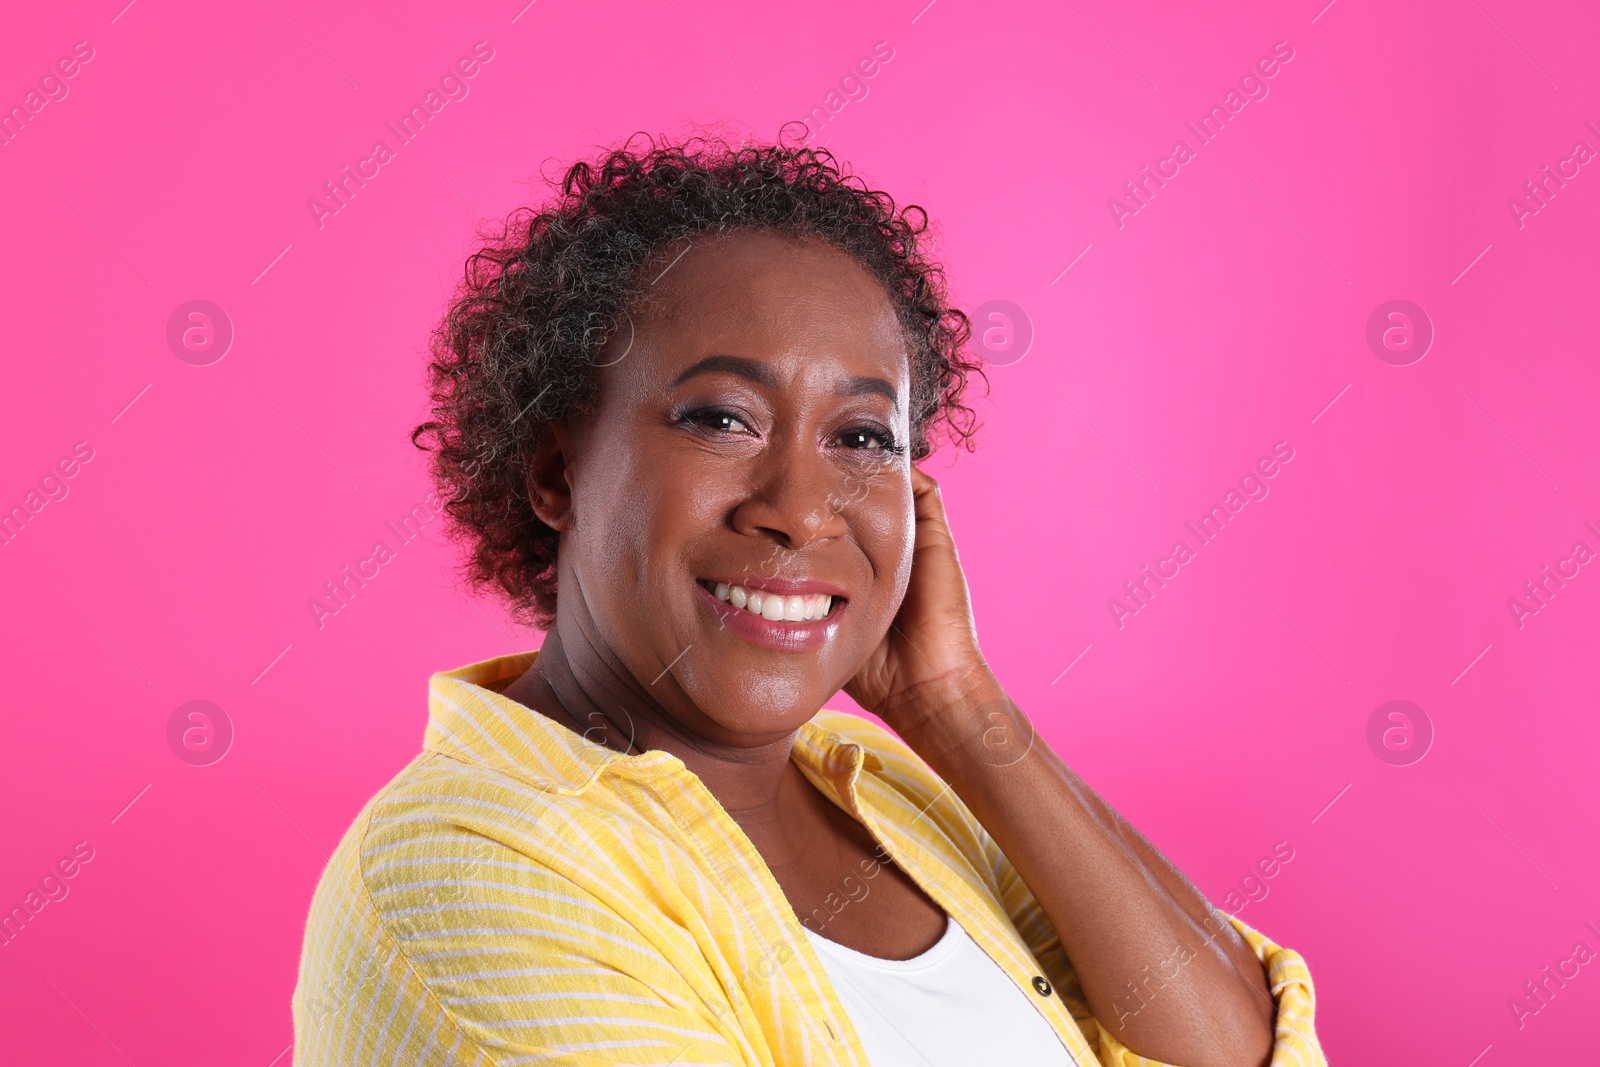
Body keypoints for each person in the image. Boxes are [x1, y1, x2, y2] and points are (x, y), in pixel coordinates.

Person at [292, 129, 1327, 1066]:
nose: (800, 509)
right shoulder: (469, 867)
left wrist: (959, 705)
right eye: (721, 418)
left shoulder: (899, 799)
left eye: (861, 437)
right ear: (557, 470)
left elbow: (1240, 1052)